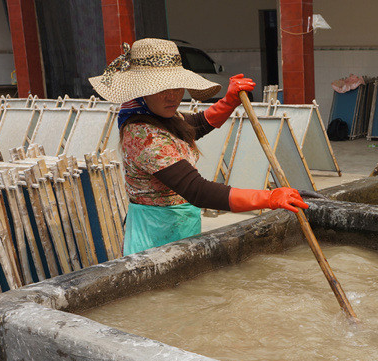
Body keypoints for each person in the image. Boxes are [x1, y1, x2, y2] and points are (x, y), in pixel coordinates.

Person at [89, 38, 308, 256]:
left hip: (178, 224)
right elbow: (198, 191)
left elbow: (194, 126)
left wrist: (228, 101)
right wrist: (268, 199)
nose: (172, 95)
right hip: (155, 233)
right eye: (162, 88)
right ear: (140, 90)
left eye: (176, 86)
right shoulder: (143, 135)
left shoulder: (159, 114)